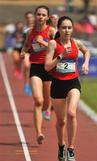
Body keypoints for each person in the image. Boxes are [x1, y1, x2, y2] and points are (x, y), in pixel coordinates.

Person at [45, 16, 90, 161]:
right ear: (58, 29)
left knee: (71, 113)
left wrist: (86, 64)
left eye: (69, 27)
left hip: (73, 83)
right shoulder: (53, 44)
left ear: (72, 29)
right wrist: (61, 56)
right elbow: (47, 66)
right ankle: (61, 145)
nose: (67, 30)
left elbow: (87, 51)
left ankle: (71, 148)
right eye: (64, 27)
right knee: (61, 121)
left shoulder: (76, 43)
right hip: (57, 85)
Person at [20, 5, 56, 144]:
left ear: (47, 17)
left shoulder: (51, 31)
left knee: (46, 103)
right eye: (38, 14)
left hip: (48, 68)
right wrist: (23, 52)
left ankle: (47, 109)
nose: (40, 17)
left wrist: (44, 43)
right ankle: (39, 132)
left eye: (43, 15)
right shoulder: (30, 32)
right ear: (35, 16)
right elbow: (26, 45)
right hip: (35, 68)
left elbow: (58, 49)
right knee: (38, 100)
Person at [22, 11, 35, 96]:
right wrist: (23, 50)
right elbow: (24, 42)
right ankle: (26, 84)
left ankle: (31, 84)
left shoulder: (36, 27)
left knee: (32, 69)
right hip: (27, 51)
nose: (29, 19)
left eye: (31, 17)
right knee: (27, 65)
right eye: (28, 17)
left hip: (36, 52)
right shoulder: (24, 28)